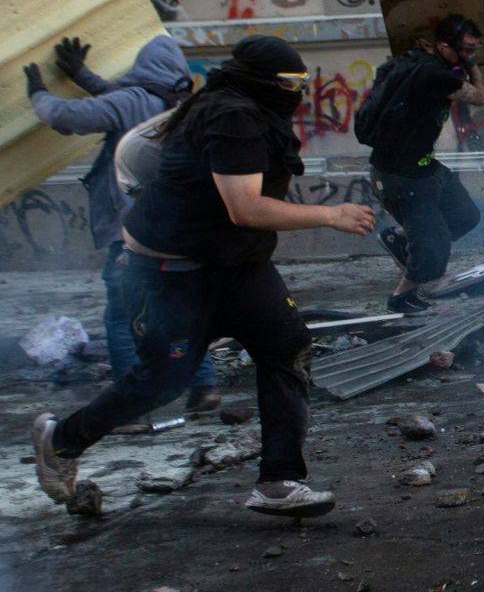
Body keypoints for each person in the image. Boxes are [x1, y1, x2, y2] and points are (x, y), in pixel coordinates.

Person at [31, 36, 376, 516]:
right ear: (265, 82)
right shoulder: (231, 115)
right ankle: (61, 440)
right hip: (173, 273)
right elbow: (245, 207)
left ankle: (279, 480)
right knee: (161, 382)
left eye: (302, 83)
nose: (297, 92)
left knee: (286, 344)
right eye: (291, 84)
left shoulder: (239, 107)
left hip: (235, 264)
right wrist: (330, 215)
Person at [24, 34, 219, 408]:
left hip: (134, 232)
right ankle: (204, 385)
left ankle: (131, 407)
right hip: (178, 230)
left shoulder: (134, 103)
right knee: (179, 310)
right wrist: (83, 76)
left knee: (122, 319)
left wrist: (37, 93)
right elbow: (123, 99)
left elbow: (66, 117)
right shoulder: (181, 107)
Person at [360, 15, 484, 314]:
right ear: (444, 46)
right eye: (466, 50)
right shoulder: (435, 76)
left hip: (425, 167)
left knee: (465, 216)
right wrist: (472, 66)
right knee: (434, 252)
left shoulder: (414, 62)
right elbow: (482, 97)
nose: (470, 56)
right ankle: (401, 297)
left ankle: (399, 238)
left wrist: (463, 57)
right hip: (402, 178)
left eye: (475, 50)